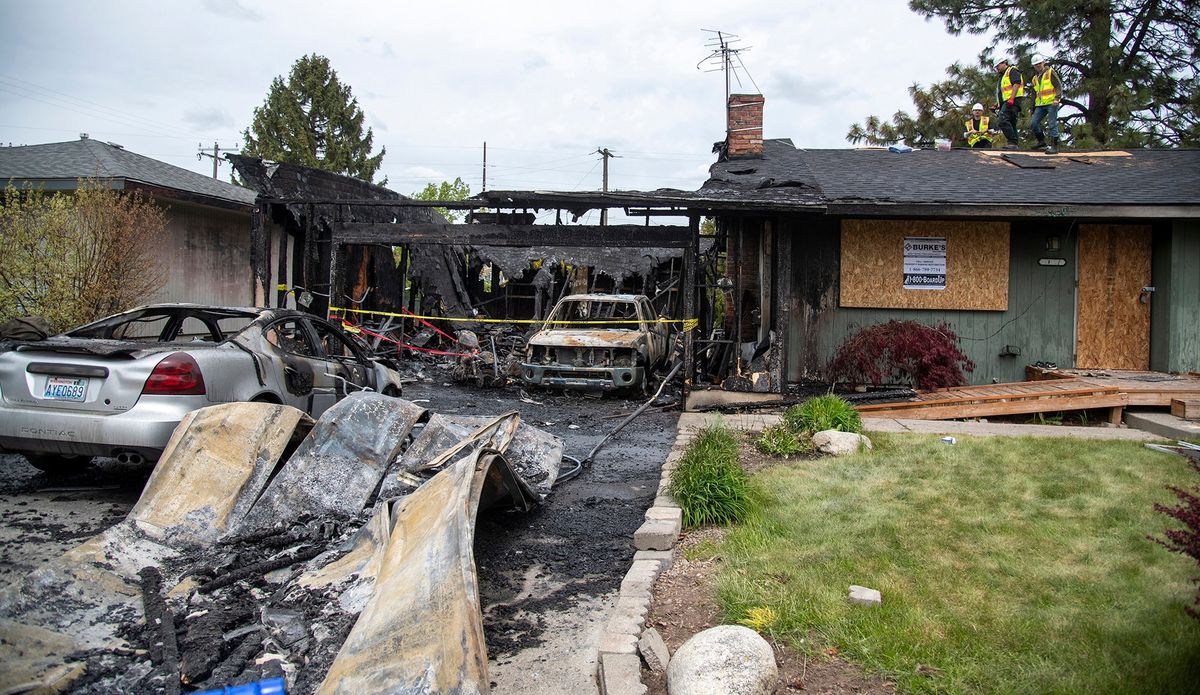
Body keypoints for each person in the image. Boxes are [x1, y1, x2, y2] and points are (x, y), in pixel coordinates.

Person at [1029, 53, 1063, 154]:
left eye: (1039, 63)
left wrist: (1057, 98)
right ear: (1034, 66)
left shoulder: (1050, 72)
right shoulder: (1035, 79)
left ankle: (1054, 146)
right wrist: (1032, 107)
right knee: (1033, 123)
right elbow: (1034, 94)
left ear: (1043, 63)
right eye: (1036, 64)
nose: (1038, 66)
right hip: (1040, 104)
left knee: (1052, 123)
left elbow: (1058, 86)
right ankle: (1041, 142)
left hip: (1051, 103)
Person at [993, 57, 1024, 149]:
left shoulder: (1012, 71)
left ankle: (1012, 142)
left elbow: (1016, 84)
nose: (997, 68)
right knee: (1011, 122)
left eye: (998, 66)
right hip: (1006, 101)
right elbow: (1003, 92)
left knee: (1002, 120)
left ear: (1004, 63)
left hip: (1012, 101)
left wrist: (1012, 98)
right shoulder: (1002, 76)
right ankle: (1014, 144)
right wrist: (997, 103)